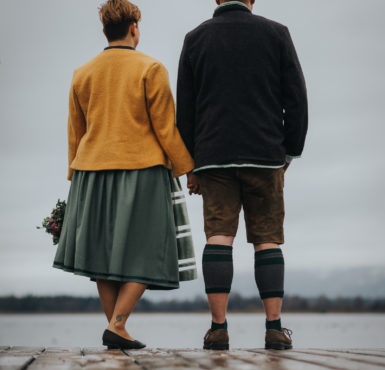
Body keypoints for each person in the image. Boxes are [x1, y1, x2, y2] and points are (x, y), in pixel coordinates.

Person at [53, 0, 197, 350]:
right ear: (134, 28)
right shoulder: (151, 68)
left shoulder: (82, 73)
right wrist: (188, 169)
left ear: (105, 30)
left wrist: (74, 174)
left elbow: (76, 132)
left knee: (102, 253)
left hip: (91, 170)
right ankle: (117, 324)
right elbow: (166, 128)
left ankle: (116, 329)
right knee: (149, 250)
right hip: (142, 169)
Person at [177, 0, 308, 350]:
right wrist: (289, 151)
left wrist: (190, 164)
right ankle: (274, 329)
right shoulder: (277, 33)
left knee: (218, 236)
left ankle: (218, 329)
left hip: (213, 156)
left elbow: (185, 109)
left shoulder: (195, 39)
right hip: (265, 154)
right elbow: (296, 98)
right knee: (267, 239)